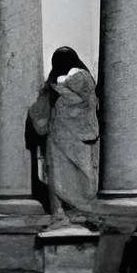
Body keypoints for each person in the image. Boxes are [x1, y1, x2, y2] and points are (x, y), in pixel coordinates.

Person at [26, 45, 101, 216]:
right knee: (64, 174)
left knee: (78, 174)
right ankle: (65, 210)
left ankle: (71, 209)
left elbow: (83, 103)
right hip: (64, 137)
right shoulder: (60, 83)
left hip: (74, 137)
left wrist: (56, 89)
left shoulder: (78, 78)